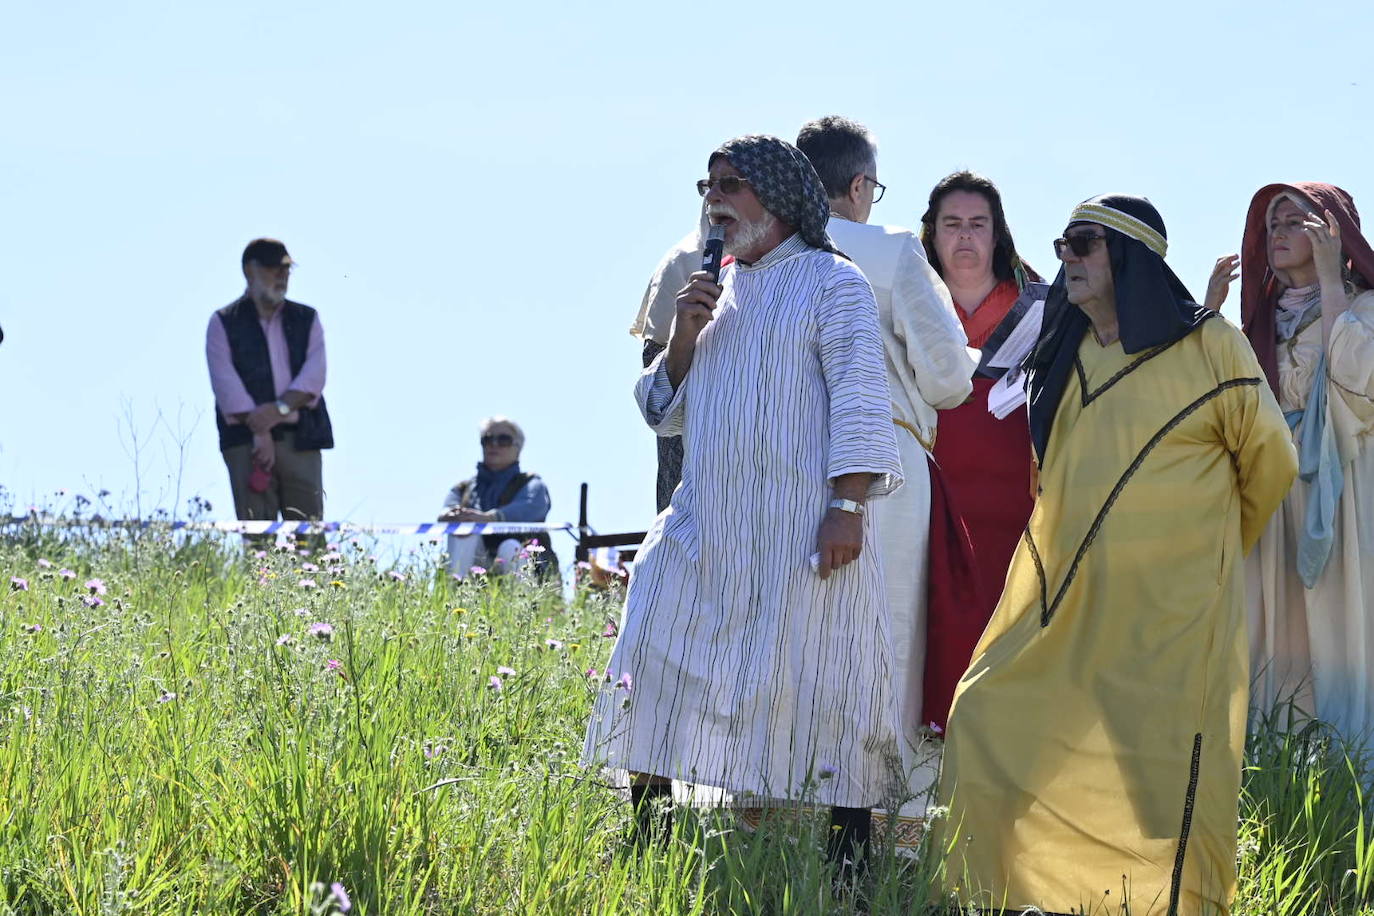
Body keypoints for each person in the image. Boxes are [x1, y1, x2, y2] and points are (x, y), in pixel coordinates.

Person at [935, 195, 1296, 915]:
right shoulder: (1067, 360)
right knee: (981, 718)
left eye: (1084, 244)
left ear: (1128, 259)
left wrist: (1206, 555)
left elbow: (1271, 463)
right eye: (1064, 244)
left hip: (1172, 611)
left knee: (1162, 781)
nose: (1066, 257)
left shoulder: (1211, 346)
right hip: (1065, 601)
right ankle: (1011, 898)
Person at [583, 134, 904, 877]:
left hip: (806, 529)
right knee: (652, 649)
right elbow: (661, 411)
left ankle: (848, 866)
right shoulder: (710, 291)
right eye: (708, 185)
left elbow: (861, 399)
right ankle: (650, 841)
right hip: (707, 526)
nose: (714, 199)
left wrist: (848, 508)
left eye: (731, 184)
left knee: (828, 685)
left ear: (781, 196)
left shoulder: (833, 282)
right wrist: (685, 339)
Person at [796, 116, 974, 843]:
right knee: (886, 647)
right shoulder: (890, 251)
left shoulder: (761, 255)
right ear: (862, 185)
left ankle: (780, 817)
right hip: (885, 476)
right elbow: (951, 378)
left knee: (797, 642)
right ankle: (881, 835)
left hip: (788, 470)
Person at [1206, 183, 1374, 744]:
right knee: (1271, 624)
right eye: (1271, 224)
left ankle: (1349, 767)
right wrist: (1207, 317)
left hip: (1342, 482)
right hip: (1272, 487)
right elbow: (1216, 401)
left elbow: (1355, 384)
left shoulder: (1363, 307)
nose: (1276, 233)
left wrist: (1331, 280)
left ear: (1332, 233)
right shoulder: (1256, 322)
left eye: (1293, 221)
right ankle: (1273, 757)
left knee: (1338, 618)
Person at [919, 171, 1047, 733]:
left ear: (998, 235)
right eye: (952, 224)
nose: (965, 237)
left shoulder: (1041, 304)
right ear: (932, 233)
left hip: (1014, 496)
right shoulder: (911, 301)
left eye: (978, 224)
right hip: (928, 489)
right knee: (933, 623)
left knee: (1007, 623)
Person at [206, 239, 331, 544]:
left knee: (309, 535)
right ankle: (261, 592)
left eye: (286, 270)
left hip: (301, 440)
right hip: (244, 445)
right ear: (250, 271)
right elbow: (225, 383)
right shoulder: (223, 322)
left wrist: (276, 412)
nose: (282, 276)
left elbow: (314, 377)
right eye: (275, 269)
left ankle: (315, 591)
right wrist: (259, 432)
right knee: (258, 540)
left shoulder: (307, 318)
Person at [630, 204, 710, 512]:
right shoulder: (683, 260)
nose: (715, 197)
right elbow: (659, 401)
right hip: (693, 472)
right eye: (710, 185)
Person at [440, 416, 555, 579]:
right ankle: (455, 597)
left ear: (518, 448)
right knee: (463, 532)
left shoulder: (532, 484)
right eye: (487, 439)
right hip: (478, 564)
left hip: (527, 569)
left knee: (511, 548)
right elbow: (446, 511)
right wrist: (453, 516)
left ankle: (521, 603)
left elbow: (531, 507)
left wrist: (489, 518)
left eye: (503, 439)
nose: (494, 444)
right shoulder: (462, 489)